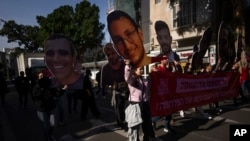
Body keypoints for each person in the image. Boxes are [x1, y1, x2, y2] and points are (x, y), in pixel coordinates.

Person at [124, 60, 158, 141]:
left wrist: (153, 71)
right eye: (140, 69)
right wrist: (127, 66)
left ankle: (148, 138)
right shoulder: (131, 80)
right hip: (135, 105)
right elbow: (127, 76)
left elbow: (151, 83)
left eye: (143, 69)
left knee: (147, 125)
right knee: (134, 128)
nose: (142, 70)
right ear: (134, 71)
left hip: (145, 104)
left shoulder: (145, 78)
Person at [101, 42, 128, 130]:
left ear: (117, 53)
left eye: (113, 53)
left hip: (128, 92)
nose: (111, 56)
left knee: (128, 109)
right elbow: (103, 86)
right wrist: (111, 87)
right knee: (118, 109)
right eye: (108, 55)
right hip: (116, 93)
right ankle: (121, 123)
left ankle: (128, 122)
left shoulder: (125, 64)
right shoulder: (105, 69)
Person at [33, 72, 57, 141]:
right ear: (38, 78)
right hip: (42, 109)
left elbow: (55, 94)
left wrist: (63, 89)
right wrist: (41, 89)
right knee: (46, 126)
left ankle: (49, 135)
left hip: (50, 107)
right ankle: (47, 139)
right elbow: (35, 96)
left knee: (53, 125)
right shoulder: (36, 86)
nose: (42, 77)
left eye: (43, 76)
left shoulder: (48, 84)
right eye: (40, 76)